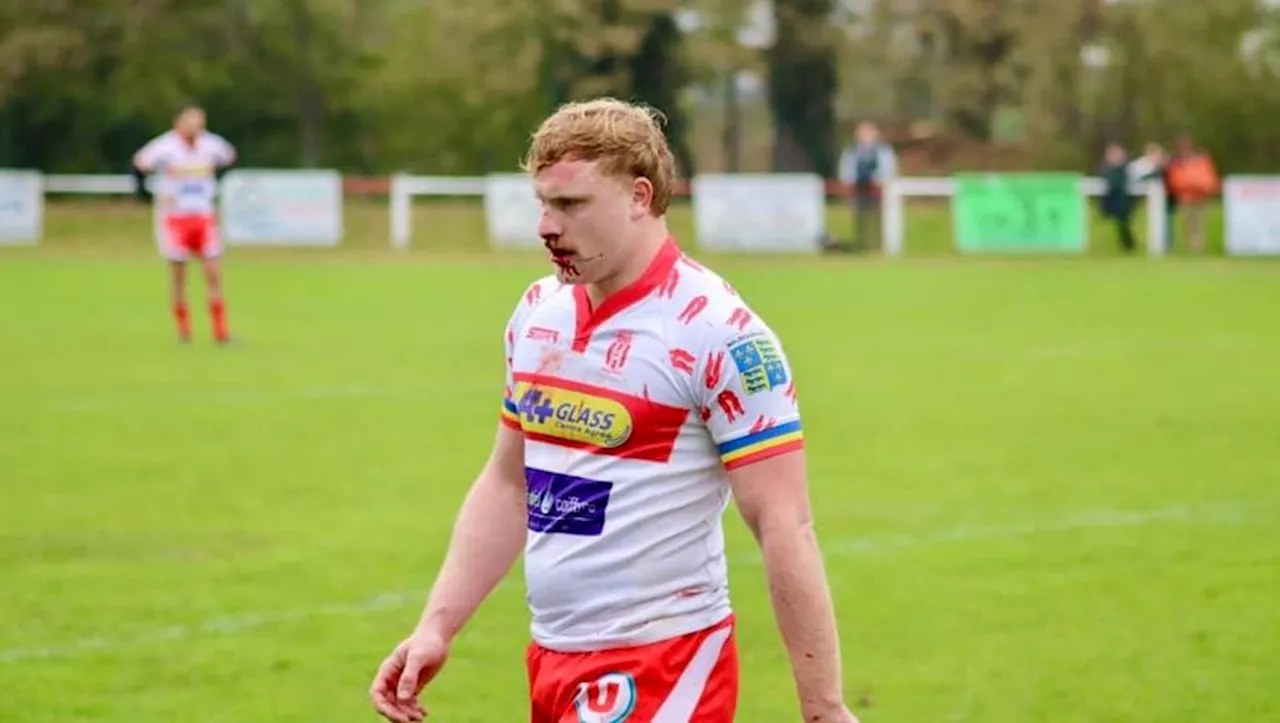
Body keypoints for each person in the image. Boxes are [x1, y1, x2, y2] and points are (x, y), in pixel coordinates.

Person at [369, 98, 857, 723]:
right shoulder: (537, 313)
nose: (547, 226)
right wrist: (437, 625)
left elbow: (785, 525)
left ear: (639, 196)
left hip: (666, 662)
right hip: (553, 659)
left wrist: (824, 707)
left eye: (570, 205)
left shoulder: (719, 333)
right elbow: (509, 482)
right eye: (542, 204)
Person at [132, 105, 237, 344]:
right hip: (175, 218)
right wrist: (150, 195)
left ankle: (221, 331)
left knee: (213, 272)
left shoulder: (211, 145)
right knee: (179, 275)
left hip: (204, 215)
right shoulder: (164, 147)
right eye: (191, 122)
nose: (196, 128)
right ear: (178, 122)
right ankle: (184, 329)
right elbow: (138, 166)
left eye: (200, 123)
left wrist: (215, 188)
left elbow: (230, 160)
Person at [836, 121, 897, 252]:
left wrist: (880, 181)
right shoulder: (852, 150)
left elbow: (887, 170)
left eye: (867, 133)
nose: (864, 136)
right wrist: (848, 183)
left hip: (878, 191)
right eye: (861, 133)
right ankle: (861, 243)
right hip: (859, 189)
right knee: (859, 218)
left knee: (879, 218)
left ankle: (879, 244)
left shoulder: (882, 150)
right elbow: (847, 170)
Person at [1165, 133, 1220, 253]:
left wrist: (1208, 187)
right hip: (1186, 196)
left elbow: (1209, 177)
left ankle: (1198, 247)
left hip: (1201, 196)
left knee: (1200, 222)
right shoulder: (1176, 161)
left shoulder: (1201, 159)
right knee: (1188, 223)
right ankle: (1190, 246)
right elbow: (1175, 180)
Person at [1098, 142, 1137, 253]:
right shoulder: (1106, 168)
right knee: (1119, 223)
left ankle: (1128, 245)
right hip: (1111, 200)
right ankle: (1126, 245)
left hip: (1122, 200)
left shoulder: (1125, 168)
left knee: (1123, 223)